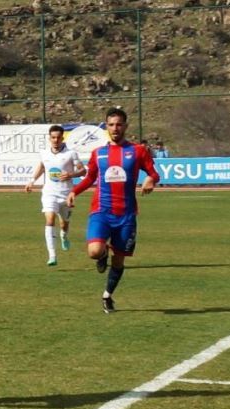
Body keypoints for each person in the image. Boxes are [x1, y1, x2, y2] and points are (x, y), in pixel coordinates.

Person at [66, 107, 160, 314]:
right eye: (111, 125)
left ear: (125, 126)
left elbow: (154, 173)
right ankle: (102, 255)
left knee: (118, 260)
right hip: (101, 212)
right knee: (94, 251)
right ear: (106, 127)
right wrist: (74, 191)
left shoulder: (138, 151)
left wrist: (150, 180)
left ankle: (107, 295)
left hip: (126, 215)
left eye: (119, 124)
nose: (115, 128)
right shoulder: (98, 153)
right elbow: (90, 178)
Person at [25, 125, 87, 266]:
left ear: (62, 138)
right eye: (53, 137)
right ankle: (52, 255)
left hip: (66, 195)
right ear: (49, 138)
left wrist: (71, 174)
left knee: (64, 224)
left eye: (58, 137)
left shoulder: (71, 153)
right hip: (49, 193)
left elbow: (83, 171)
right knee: (50, 219)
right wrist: (32, 181)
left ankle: (64, 235)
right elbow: (42, 167)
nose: (55, 140)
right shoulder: (44, 153)